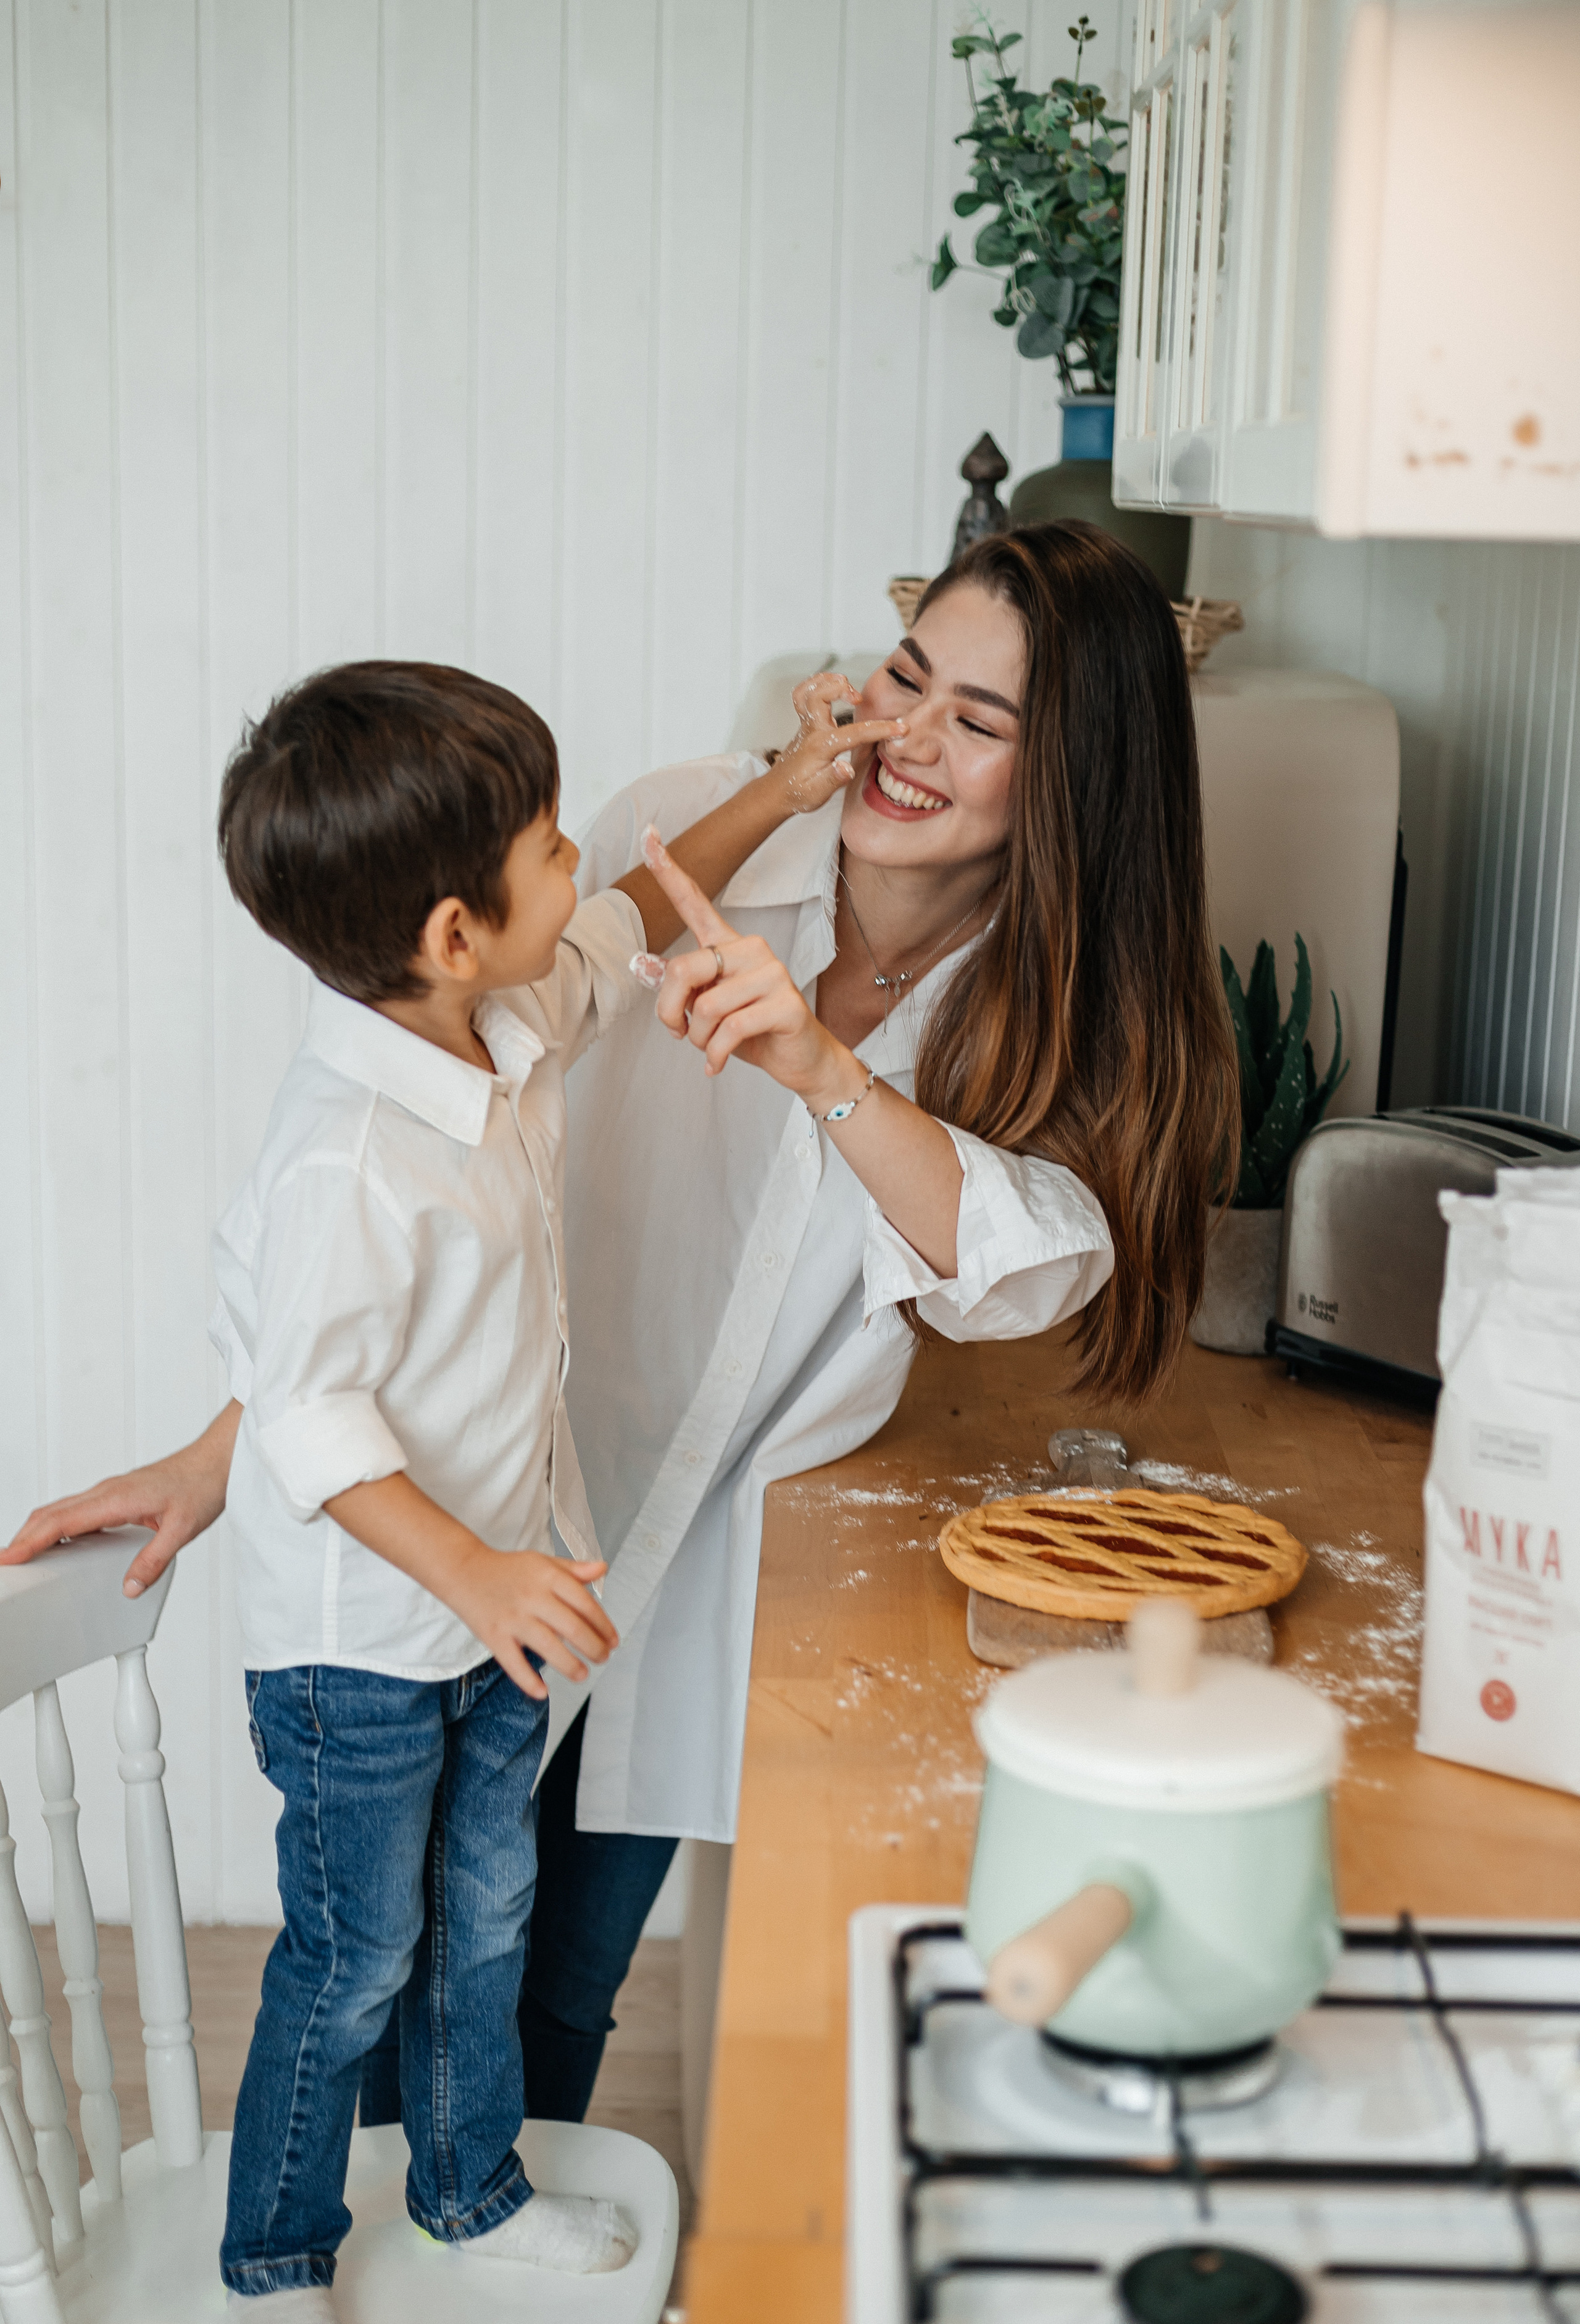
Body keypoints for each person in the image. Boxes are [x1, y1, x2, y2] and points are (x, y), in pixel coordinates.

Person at [9, 521, 1239, 2139]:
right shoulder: (677, 839)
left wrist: (824, 1070)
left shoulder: (1048, 998)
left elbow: (1031, 1265)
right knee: (391, 1972)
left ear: (1076, 778)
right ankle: (340, 2264)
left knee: (552, 1983)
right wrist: (230, 1447)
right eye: (909, 677)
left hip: (688, 1574)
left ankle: (477, 2252)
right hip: (475, 1526)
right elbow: (434, 1197)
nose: (908, 737)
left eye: (980, 722)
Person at [2, 656, 897, 2316]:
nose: (584, 860)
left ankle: (469, 2199)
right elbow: (310, 1418)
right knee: (354, 1970)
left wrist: (789, 782)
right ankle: (273, 2254)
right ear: (448, 931)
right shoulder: (347, 1157)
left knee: (481, 1938)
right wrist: (478, 1575)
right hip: (361, 1655)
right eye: (552, 844)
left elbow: (625, 924)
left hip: (488, 1623)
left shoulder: (504, 1013)